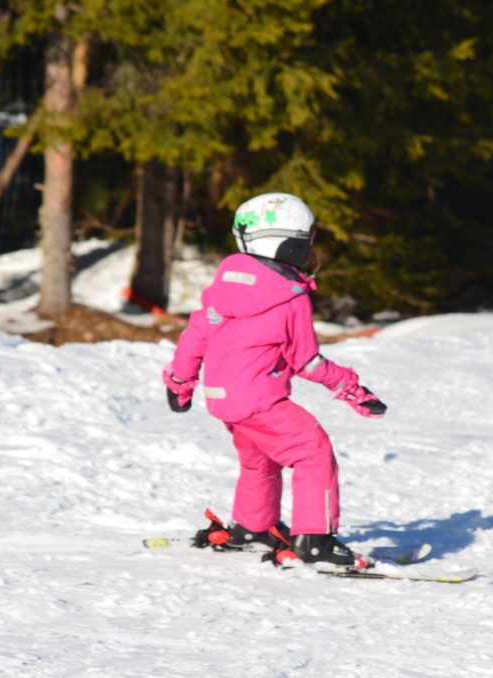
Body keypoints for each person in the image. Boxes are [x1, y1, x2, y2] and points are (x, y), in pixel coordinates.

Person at [163, 192, 386, 570]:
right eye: (308, 241)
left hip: (223, 400)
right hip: (259, 399)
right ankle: (315, 540)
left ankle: (252, 527)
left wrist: (180, 382)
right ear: (292, 244)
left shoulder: (222, 288)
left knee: (260, 460)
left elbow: (195, 337)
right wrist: (350, 388)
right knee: (312, 451)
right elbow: (307, 361)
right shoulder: (289, 297)